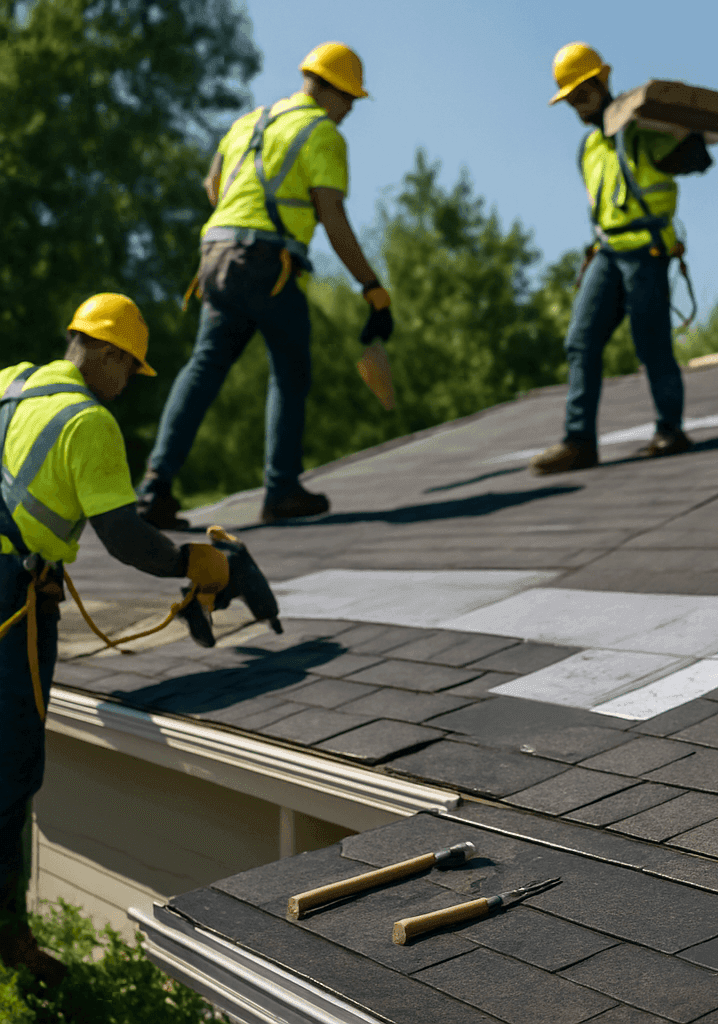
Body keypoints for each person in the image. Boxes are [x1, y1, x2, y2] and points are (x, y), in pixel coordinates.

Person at [1, 294, 232, 984]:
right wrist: (188, 561)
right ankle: (7, 937)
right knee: (11, 771)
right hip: (11, 605)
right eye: (129, 370)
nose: (127, 384)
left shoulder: (11, 381)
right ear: (105, 355)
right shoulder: (89, 422)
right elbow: (125, 538)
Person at [136, 42, 395, 528]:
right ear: (333, 91)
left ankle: (153, 491)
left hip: (215, 257)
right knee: (291, 368)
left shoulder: (249, 122)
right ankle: (281, 489)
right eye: (351, 100)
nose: (351, 112)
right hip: (264, 262)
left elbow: (212, 185)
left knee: (204, 367)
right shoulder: (321, 133)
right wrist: (371, 286)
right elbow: (332, 217)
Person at [529, 42, 713, 475]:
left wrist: (689, 136)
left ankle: (670, 430)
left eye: (583, 94)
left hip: (647, 251)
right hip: (608, 252)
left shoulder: (645, 131)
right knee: (580, 340)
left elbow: (695, 160)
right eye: (571, 99)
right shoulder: (588, 150)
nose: (578, 105)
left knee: (650, 341)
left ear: (604, 81)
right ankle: (579, 442)